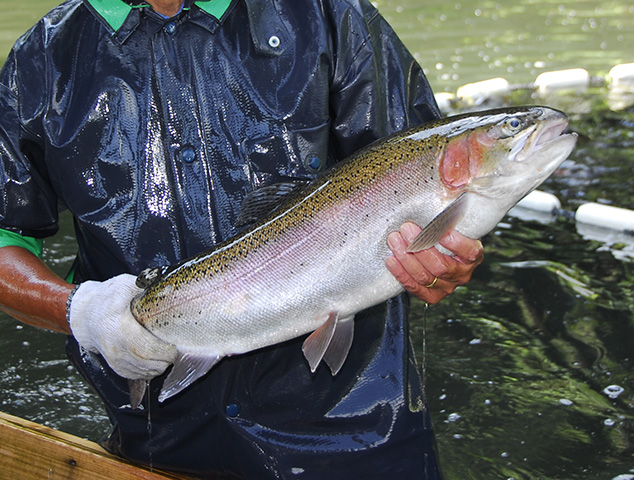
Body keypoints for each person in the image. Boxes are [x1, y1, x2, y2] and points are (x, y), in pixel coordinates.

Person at [0, 0, 483, 478]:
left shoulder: (330, 16)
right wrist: (83, 312)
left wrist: (442, 262)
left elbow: (429, 171)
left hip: (359, 434)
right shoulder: (39, 61)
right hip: (158, 442)